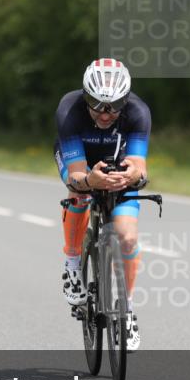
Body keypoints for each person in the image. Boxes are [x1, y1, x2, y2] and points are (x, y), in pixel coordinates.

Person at [54, 59, 150, 351]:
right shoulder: (69, 109)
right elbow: (76, 176)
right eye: (97, 104)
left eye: (114, 105)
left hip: (116, 165)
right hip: (81, 161)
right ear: (85, 96)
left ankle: (127, 310)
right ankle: (72, 265)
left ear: (126, 100)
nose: (106, 114)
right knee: (79, 195)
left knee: (128, 237)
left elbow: (139, 167)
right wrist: (90, 181)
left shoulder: (138, 112)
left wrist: (133, 175)